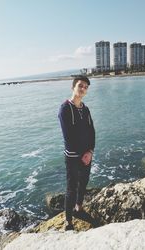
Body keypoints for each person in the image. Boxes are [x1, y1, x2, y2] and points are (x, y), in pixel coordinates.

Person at [58, 75, 95, 230]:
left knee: (84, 183)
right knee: (71, 187)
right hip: (73, 157)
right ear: (73, 87)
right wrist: (83, 154)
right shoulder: (65, 109)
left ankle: (79, 208)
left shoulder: (85, 109)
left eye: (86, 87)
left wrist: (90, 151)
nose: (83, 89)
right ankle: (68, 221)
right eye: (80, 85)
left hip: (86, 155)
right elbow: (69, 137)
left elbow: (92, 131)